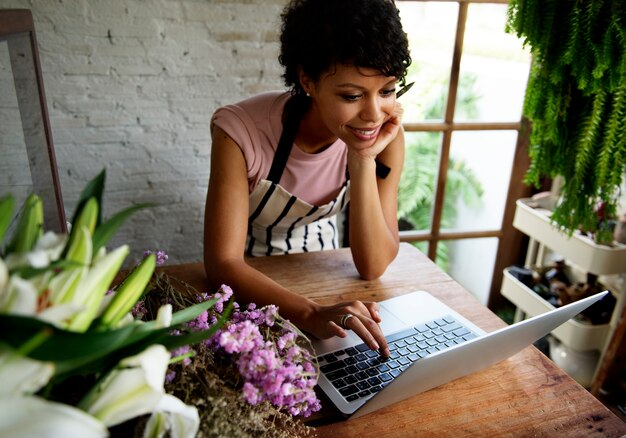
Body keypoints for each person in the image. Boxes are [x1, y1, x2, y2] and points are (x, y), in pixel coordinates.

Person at [204, 0, 411, 357]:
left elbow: (372, 266)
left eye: (387, 90)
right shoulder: (240, 133)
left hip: (332, 276)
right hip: (255, 284)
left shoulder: (383, 139)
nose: (374, 114)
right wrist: (309, 312)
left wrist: (362, 160)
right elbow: (223, 264)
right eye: (352, 95)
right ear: (307, 80)